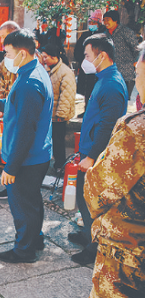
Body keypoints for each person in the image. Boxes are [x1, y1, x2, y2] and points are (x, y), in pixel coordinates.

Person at [0, 29, 53, 263]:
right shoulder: (33, 71)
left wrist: (11, 167)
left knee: (22, 207)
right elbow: (13, 104)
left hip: (27, 158)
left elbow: (25, 131)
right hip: (36, 154)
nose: (4, 58)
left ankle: (23, 250)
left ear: (23, 52)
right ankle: (34, 238)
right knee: (32, 201)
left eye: (7, 53)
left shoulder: (30, 82)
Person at [83, 41, 145, 298]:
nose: (136, 67)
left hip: (129, 251)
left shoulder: (136, 130)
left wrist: (90, 160)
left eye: (140, 63)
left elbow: (98, 192)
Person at [68, 33, 128, 266]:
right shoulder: (104, 78)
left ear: (102, 56)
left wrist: (91, 156)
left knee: (93, 202)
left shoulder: (112, 84)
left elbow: (107, 126)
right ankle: (87, 236)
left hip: (97, 155)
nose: (85, 60)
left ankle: (95, 247)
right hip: (90, 150)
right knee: (85, 199)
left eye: (87, 55)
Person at [0, 20, 21, 200]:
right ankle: (7, 183)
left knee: (18, 147)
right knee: (3, 147)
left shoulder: (28, 56)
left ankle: (17, 184)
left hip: (21, 110)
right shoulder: (5, 61)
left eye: (4, 36)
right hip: (6, 110)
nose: (2, 41)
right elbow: (2, 84)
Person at [40, 43, 76, 171]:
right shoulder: (49, 69)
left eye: (45, 57)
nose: (43, 59)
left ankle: (60, 164)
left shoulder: (65, 72)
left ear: (53, 57)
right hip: (50, 113)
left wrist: (61, 115)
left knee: (59, 141)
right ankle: (55, 162)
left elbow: (67, 96)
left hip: (58, 115)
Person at [74, 10, 106, 117]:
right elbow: (78, 50)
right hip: (86, 67)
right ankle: (86, 110)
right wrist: (83, 61)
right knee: (87, 90)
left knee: (97, 89)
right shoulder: (85, 35)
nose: (91, 25)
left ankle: (96, 111)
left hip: (98, 68)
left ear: (99, 23)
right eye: (90, 22)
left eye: (94, 22)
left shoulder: (103, 35)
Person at [103, 10, 140, 99]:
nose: (105, 22)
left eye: (108, 19)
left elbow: (137, 49)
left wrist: (135, 63)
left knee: (123, 99)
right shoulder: (105, 34)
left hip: (126, 74)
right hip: (111, 73)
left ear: (115, 20)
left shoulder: (125, 32)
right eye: (104, 20)